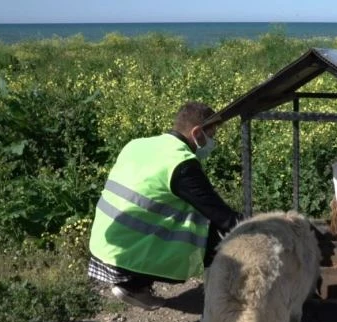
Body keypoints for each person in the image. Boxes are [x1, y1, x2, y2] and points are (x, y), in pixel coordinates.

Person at [87, 101, 242, 310]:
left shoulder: (138, 144)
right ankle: (135, 284)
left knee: (181, 209)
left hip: (102, 247)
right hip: (127, 258)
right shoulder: (181, 163)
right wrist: (263, 229)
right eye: (211, 135)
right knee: (210, 227)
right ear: (197, 132)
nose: (212, 142)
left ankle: (137, 284)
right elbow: (222, 216)